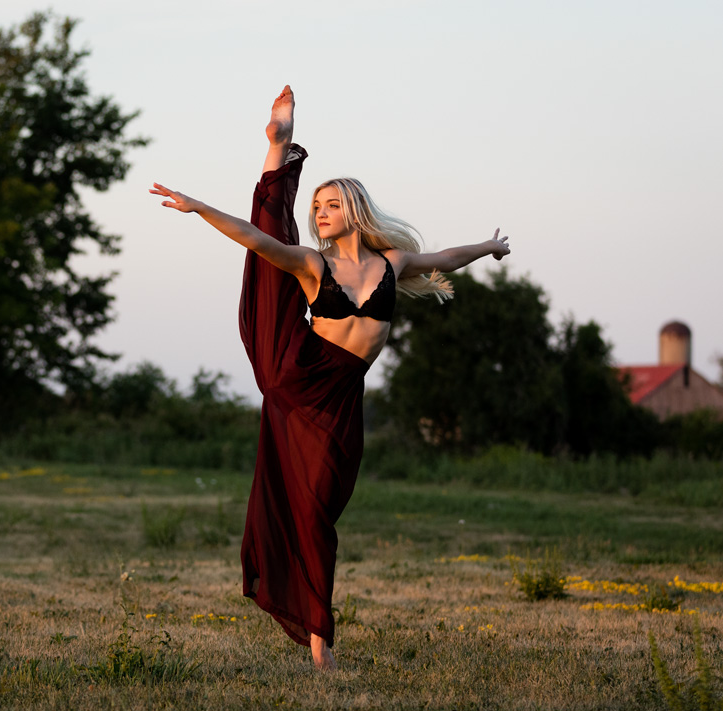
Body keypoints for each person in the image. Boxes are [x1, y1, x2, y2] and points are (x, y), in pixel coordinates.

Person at [150, 85, 510, 670]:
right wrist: (200, 208)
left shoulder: (393, 263)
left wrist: (491, 247)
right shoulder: (314, 265)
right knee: (312, 513)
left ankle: (316, 628)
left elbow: (444, 259)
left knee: (325, 507)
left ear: (356, 211)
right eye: (316, 206)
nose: (320, 213)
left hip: (344, 399)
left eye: (331, 204)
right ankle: (321, 644)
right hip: (298, 385)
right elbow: (258, 238)